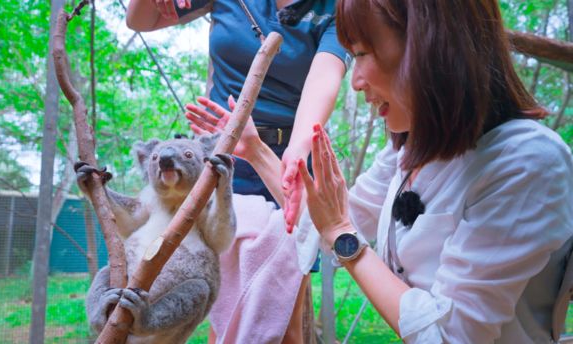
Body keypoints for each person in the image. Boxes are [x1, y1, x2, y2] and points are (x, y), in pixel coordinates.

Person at [190, 0, 573, 342]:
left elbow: (452, 335)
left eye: (362, 53)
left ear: (429, 45)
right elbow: (323, 225)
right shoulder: (409, 152)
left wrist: (347, 238)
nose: (355, 82)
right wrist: (255, 150)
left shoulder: (524, 161)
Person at [126, 0, 351, 342]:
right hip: (224, 161)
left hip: (288, 165)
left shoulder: (335, 9)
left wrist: (295, 156)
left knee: (287, 320)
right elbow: (139, 19)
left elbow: (326, 77)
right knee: (225, 313)